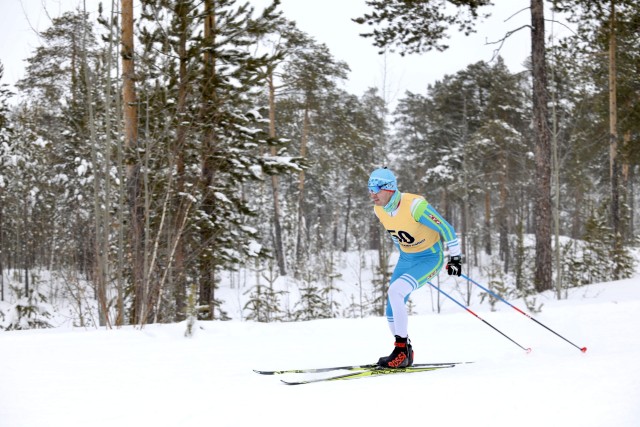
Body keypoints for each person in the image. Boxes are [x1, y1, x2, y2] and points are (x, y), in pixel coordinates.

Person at [368, 167, 462, 368]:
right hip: (407, 259)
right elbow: (397, 233)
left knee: (395, 290)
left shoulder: (414, 206)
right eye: (369, 187)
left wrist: (455, 258)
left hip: (429, 258)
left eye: (376, 187)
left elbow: (446, 228)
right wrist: (405, 254)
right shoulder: (379, 210)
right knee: (391, 307)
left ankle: (401, 351)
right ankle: (404, 351)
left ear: (390, 188)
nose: (372, 193)